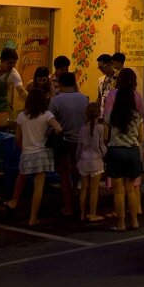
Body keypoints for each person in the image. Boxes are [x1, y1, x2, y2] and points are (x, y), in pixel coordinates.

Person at [4, 88, 62, 226]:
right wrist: (50, 135)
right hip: (42, 152)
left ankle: (13, 201)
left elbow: (18, 137)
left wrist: (22, 148)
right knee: (39, 185)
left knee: (21, 175)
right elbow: (59, 128)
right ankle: (33, 217)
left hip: (27, 152)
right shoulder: (47, 114)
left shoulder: (22, 116)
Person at [49, 71, 89, 218]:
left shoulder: (56, 101)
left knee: (64, 174)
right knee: (79, 173)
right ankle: (81, 204)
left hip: (64, 141)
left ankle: (68, 207)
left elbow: (50, 121)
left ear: (59, 83)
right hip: (81, 141)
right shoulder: (84, 99)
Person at [105, 86, 144, 231]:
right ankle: (134, 221)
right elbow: (141, 137)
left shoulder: (111, 115)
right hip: (132, 152)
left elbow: (105, 137)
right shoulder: (136, 115)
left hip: (115, 152)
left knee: (118, 191)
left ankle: (120, 223)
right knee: (131, 189)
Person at [76, 102, 107, 222]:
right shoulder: (101, 128)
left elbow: (79, 146)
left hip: (83, 159)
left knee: (84, 188)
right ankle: (92, 214)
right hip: (96, 160)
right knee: (94, 189)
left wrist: (76, 158)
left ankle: (82, 214)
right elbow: (101, 145)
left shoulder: (83, 129)